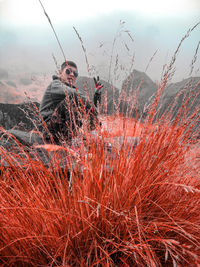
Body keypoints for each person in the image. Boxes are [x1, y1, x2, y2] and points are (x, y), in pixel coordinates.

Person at [39, 60, 103, 145]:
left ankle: (91, 136)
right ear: (60, 72)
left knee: (83, 105)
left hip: (61, 130)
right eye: (68, 71)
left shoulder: (71, 89)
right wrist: (94, 110)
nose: (72, 74)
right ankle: (70, 142)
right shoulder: (55, 85)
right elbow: (75, 95)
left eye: (75, 74)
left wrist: (97, 94)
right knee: (75, 99)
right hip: (48, 131)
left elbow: (89, 108)